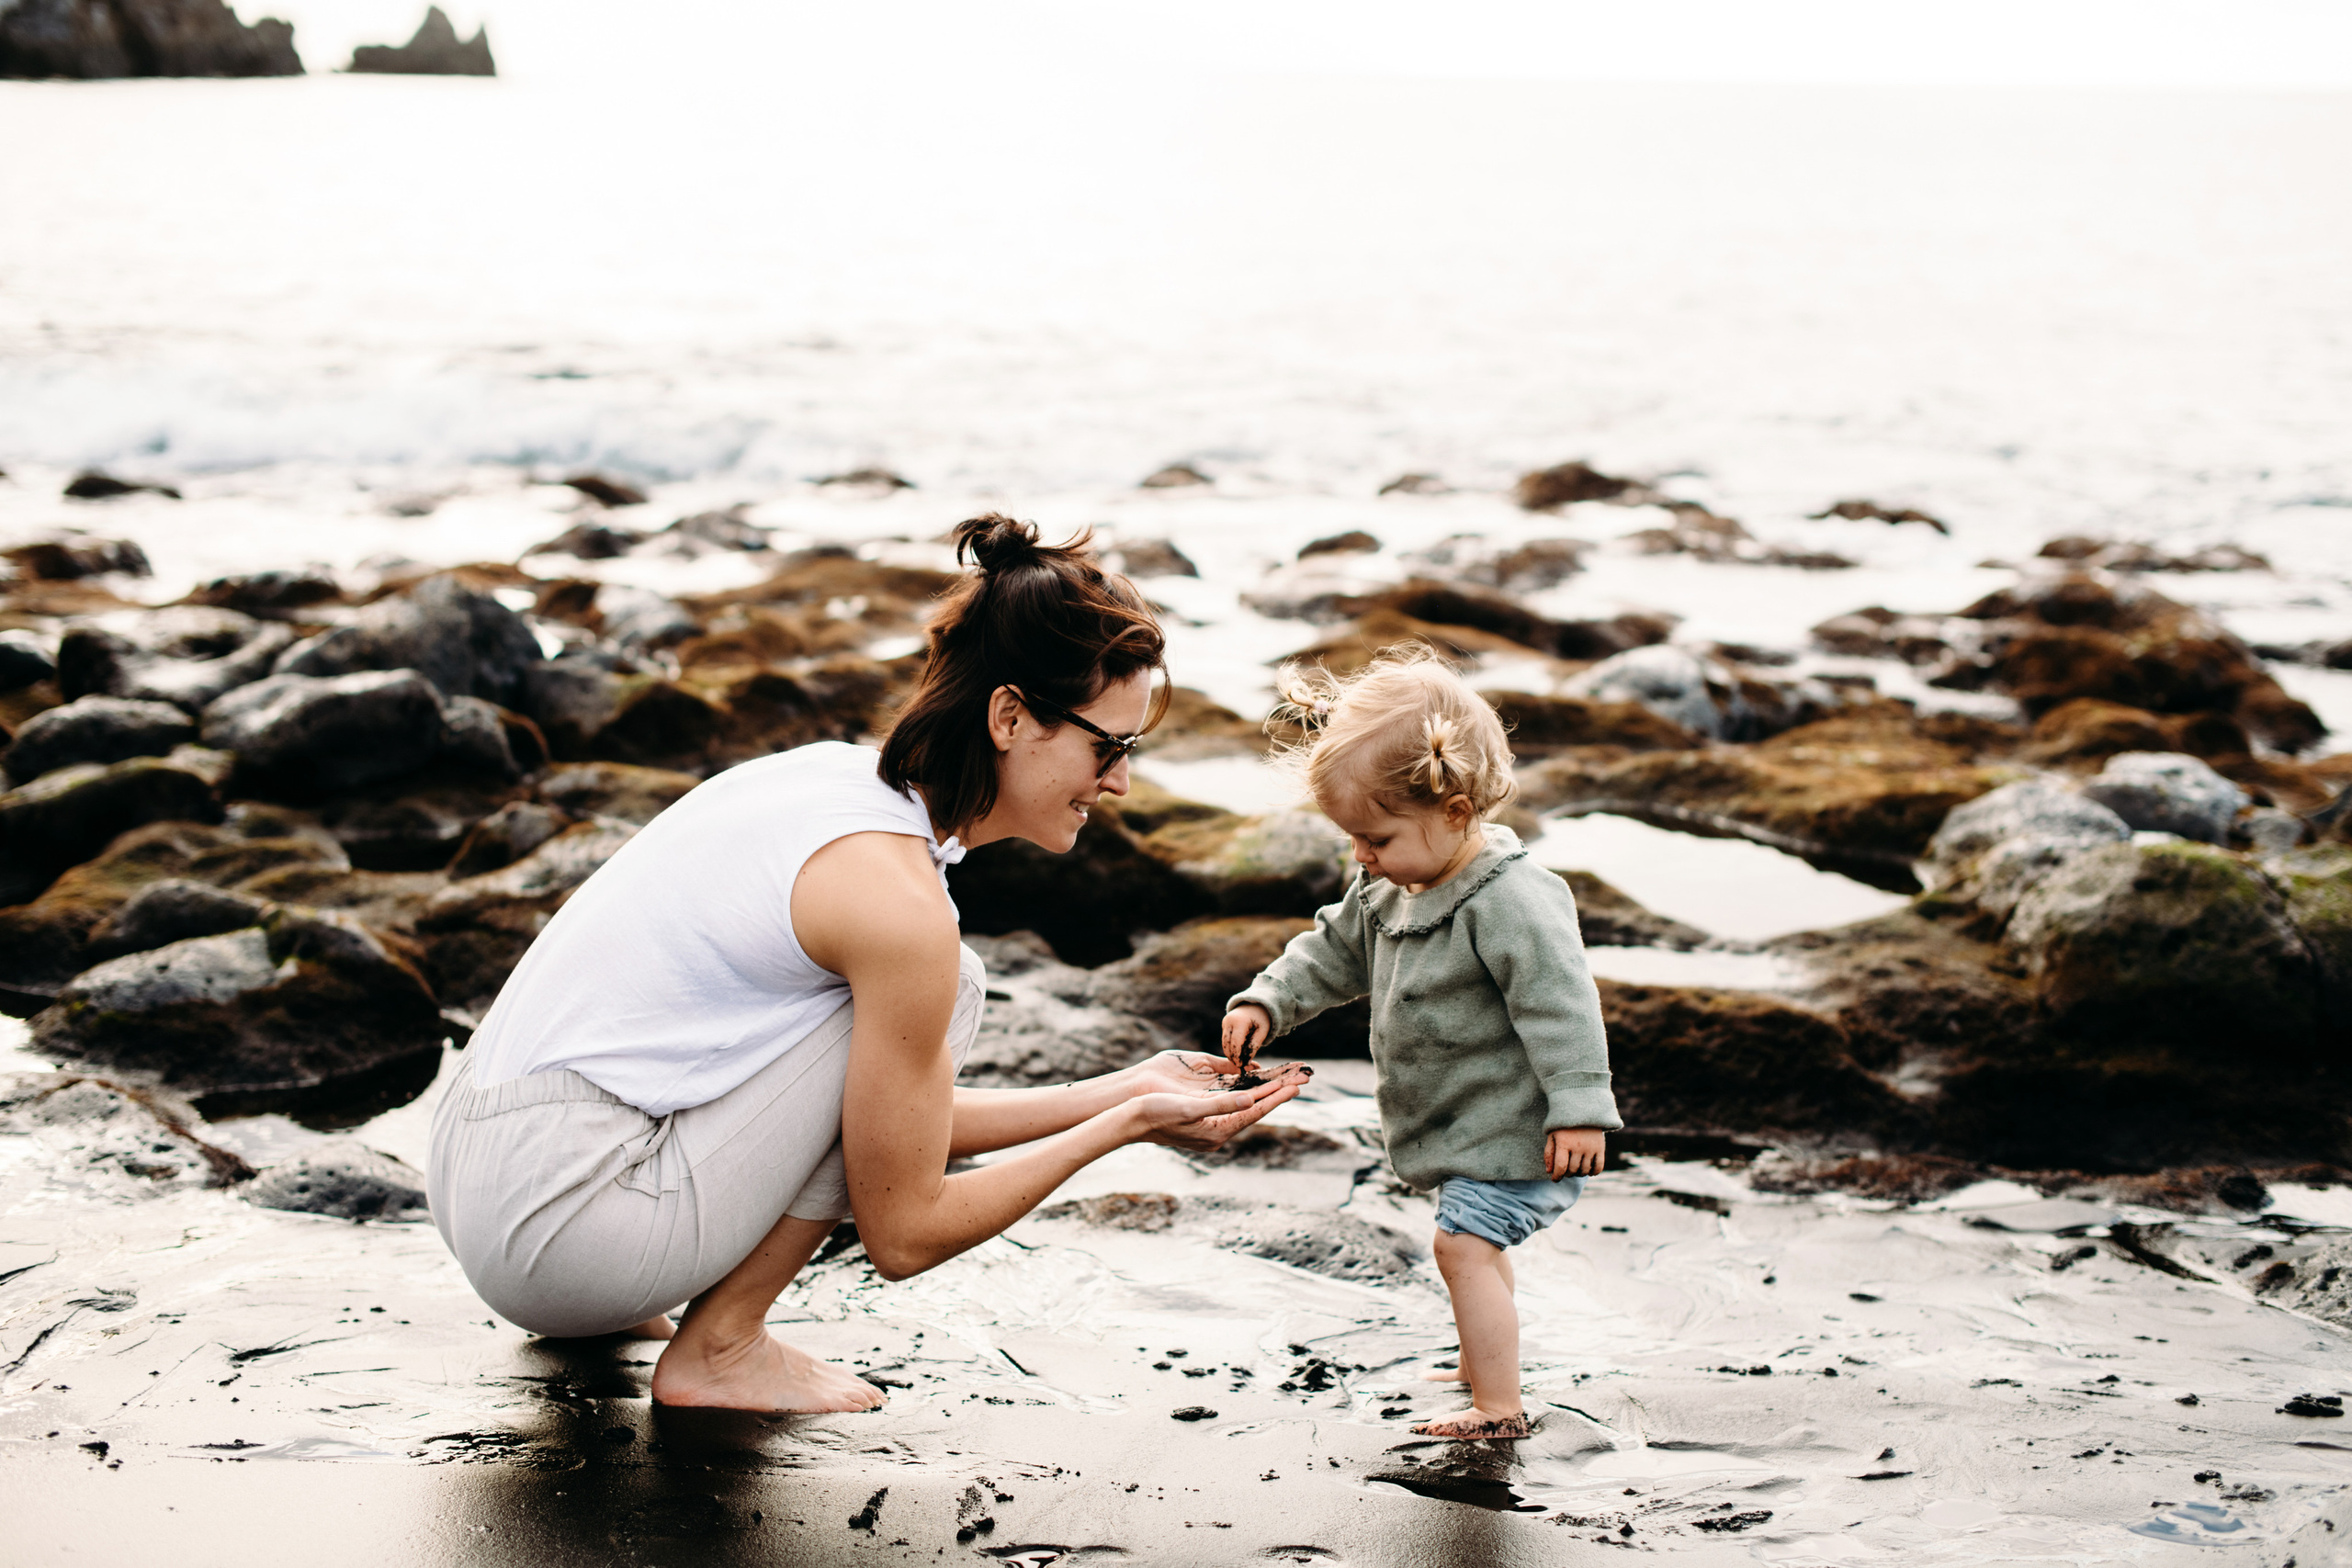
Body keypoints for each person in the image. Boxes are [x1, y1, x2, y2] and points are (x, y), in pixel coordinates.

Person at [427, 513, 1308, 1414]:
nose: (1119, 780)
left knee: (921, 1003)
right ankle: (722, 1346)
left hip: (481, 1181)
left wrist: (1126, 1088)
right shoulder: (900, 906)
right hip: (561, 1233)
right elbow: (904, 1229)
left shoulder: (828, 780)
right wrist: (1123, 1129)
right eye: (1106, 746)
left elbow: (882, 1123)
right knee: (951, 985)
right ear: (1010, 716)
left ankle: (648, 1293)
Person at [1219, 648, 1619, 1439]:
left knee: (1461, 1244)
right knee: (1475, 1244)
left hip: (1520, 1128)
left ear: (1457, 811)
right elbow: (1333, 950)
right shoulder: (1390, 882)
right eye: (1351, 838)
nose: (1360, 854)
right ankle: (1481, 1361)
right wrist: (1270, 996)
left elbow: (1563, 1004)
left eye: (1375, 835)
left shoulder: (1511, 897)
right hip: (1460, 1123)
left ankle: (1499, 1407)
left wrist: (1580, 1108)